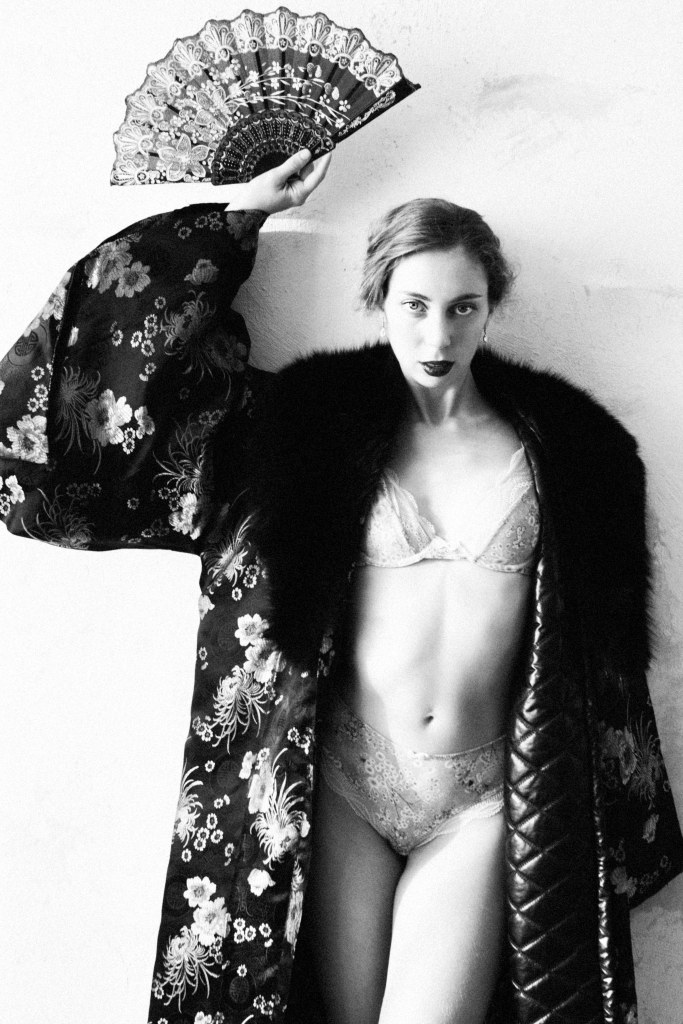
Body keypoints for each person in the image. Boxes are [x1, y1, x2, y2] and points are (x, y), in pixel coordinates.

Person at [0, 149, 681, 1024]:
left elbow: (605, 656)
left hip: (480, 803)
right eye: (414, 306)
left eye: (463, 307)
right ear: (378, 299)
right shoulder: (299, 429)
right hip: (339, 790)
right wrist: (237, 222)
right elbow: (107, 398)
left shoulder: (575, 451)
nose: (437, 338)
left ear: (492, 306)